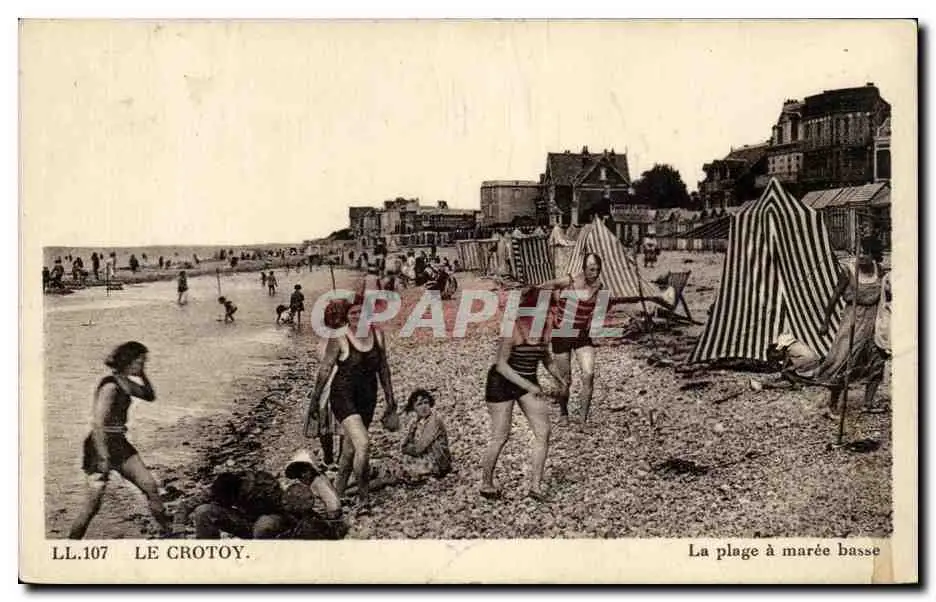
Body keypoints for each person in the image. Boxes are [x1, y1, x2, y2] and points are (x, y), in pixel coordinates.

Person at [305, 296, 400, 514]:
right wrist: (314, 402)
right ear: (347, 316)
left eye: (361, 312)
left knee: (349, 449)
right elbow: (325, 370)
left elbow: (383, 368)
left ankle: (337, 494)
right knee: (363, 444)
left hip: (368, 397)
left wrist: (390, 398)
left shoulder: (378, 335)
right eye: (353, 313)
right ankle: (363, 500)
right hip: (343, 396)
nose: (358, 316)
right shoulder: (339, 337)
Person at [69, 342, 172, 539]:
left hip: (119, 442)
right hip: (99, 445)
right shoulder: (110, 385)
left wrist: (142, 374)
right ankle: (71, 544)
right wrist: (103, 456)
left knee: (150, 487)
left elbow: (149, 395)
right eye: (140, 362)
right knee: (92, 507)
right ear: (128, 361)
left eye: (144, 362)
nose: (143, 365)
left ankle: (169, 533)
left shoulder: (124, 382)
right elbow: (98, 423)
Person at [481, 287, 565, 502]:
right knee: (501, 436)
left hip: (527, 380)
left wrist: (560, 378)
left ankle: (535, 486)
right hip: (501, 383)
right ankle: (486, 483)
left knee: (543, 432)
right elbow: (501, 365)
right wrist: (529, 386)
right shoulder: (513, 327)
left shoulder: (545, 328)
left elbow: (545, 357)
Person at [800, 239, 889, 419]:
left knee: (877, 360)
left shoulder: (879, 271)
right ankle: (832, 405)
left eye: (865, 253)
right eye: (858, 252)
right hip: (853, 319)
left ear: (874, 255)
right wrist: (825, 322)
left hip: (874, 320)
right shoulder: (849, 271)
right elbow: (834, 296)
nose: (861, 256)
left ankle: (868, 403)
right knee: (843, 361)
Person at [190, 452, 345, 540]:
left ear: (312, 470)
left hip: (278, 524)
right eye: (299, 472)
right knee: (203, 511)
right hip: (252, 523)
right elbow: (195, 502)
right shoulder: (226, 486)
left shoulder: (319, 483)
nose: (302, 475)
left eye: (304, 471)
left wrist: (325, 522)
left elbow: (334, 507)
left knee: (264, 526)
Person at [539, 253, 604, 426]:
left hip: (581, 336)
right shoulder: (570, 280)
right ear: (583, 269)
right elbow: (547, 285)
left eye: (597, 269)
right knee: (565, 380)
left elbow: (599, 311)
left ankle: (583, 420)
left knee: (589, 374)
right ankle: (563, 413)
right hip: (562, 334)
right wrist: (549, 305)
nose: (595, 273)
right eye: (591, 269)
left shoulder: (599, 287)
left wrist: (591, 320)